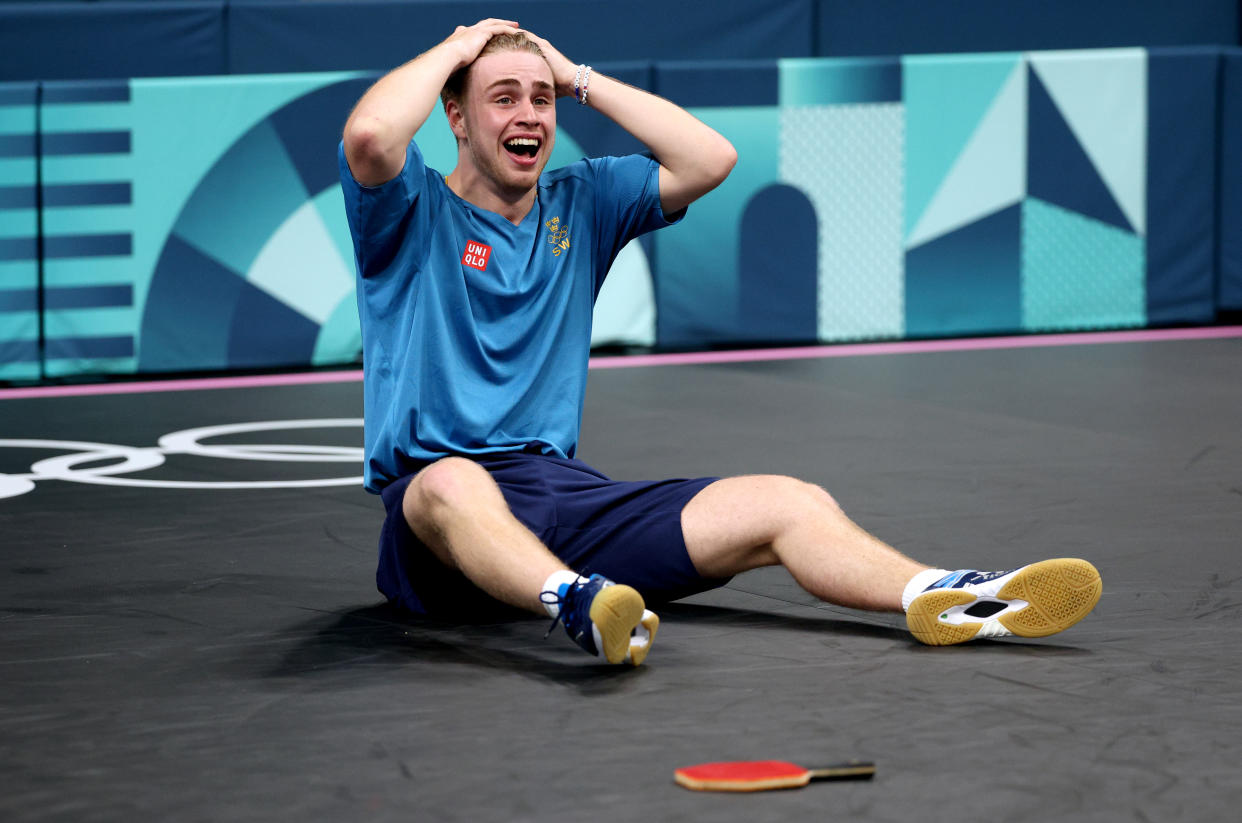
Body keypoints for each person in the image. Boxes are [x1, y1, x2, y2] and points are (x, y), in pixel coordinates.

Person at [338, 19, 1102, 666]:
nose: (529, 116)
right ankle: (573, 600)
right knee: (448, 484)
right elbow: (371, 135)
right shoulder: (411, 210)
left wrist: (575, 77)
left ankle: (942, 594)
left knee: (785, 501)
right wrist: (461, 42)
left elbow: (709, 159)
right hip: (439, 524)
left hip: (563, 497)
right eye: (502, 99)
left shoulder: (583, 200)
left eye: (540, 100)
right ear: (457, 118)